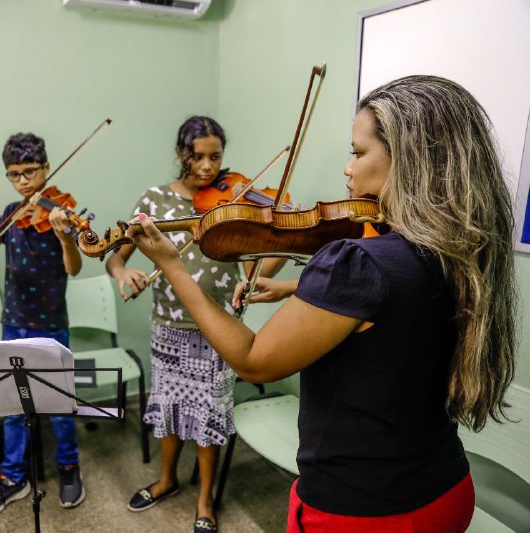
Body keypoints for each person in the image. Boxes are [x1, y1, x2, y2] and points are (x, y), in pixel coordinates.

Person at [126, 76, 517, 532]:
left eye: (357, 152)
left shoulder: (357, 260)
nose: (347, 169)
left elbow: (253, 362)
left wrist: (172, 265)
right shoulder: (457, 252)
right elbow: (391, 307)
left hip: (362, 508)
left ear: (409, 159)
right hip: (444, 490)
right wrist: (296, 289)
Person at [106, 116, 282, 533]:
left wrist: (267, 259)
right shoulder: (153, 200)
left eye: (215, 157)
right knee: (169, 410)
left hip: (219, 329)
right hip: (167, 326)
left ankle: (204, 500)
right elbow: (117, 254)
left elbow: (267, 257)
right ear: (179, 153)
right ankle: (167, 480)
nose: (207, 166)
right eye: (197, 156)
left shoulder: (234, 201)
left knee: (207, 417)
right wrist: (120, 273)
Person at [0, 132, 85, 519]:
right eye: (14, 175)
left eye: (30, 172)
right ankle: (13, 478)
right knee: (13, 406)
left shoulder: (61, 211)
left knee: (59, 403)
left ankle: (69, 467)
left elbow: (74, 267)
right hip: (13, 321)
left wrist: (66, 237)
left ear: (47, 169)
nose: (23, 182)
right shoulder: (11, 212)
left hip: (51, 323)